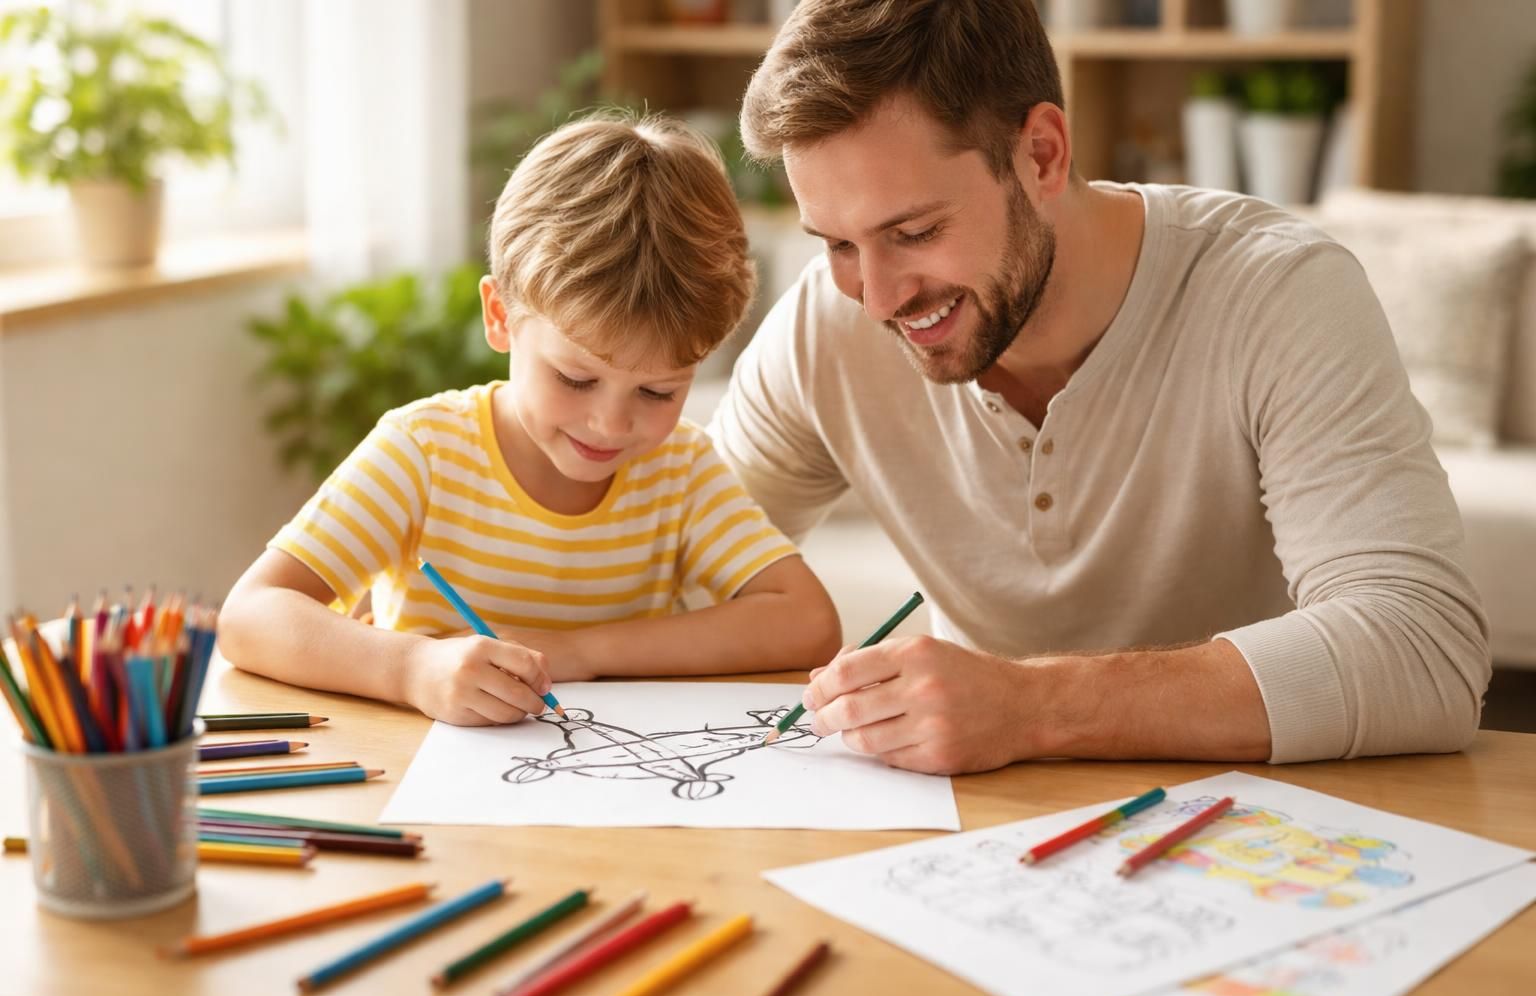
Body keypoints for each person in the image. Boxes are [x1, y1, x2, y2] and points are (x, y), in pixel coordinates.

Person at [709, 0, 1489, 773]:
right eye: (839, 243)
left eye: (914, 233)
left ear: (1042, 154)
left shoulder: (1276, 292)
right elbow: (678, 564)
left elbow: (1421, 648)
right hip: (974, 826)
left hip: (1260, 824)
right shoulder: (826, 323)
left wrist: (1031, 706)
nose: (876, 298)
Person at [221, 113, 842, 726]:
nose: (610, 424)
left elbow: (807, 621)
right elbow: (251, 614)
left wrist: (581, 651)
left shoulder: (680, 469)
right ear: (500, 316)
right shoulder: (424, 452)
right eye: (576, 379)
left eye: (657, 392)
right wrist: (411, 667)